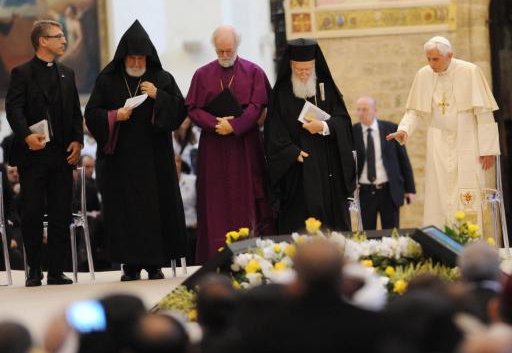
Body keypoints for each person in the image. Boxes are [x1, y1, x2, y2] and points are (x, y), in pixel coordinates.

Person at [85, 20, 187, 281]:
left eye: (141, 57)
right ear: (123, 57)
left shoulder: (161, 79)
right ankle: (129, 265)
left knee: (155, 210)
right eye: (132, 57)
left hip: (155, 160)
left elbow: (180, 110)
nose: (136, 62)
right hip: (121, 161)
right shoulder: (107, 80)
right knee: (124, 213)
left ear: (148, 56)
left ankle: (155, 265)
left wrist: (158, 96)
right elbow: (92, 113)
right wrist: (114, 115)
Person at [387, 36, 500, 229]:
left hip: (467, 139)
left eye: (436, 59)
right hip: (438, 140)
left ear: (450, 55)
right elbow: (415, 111)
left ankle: (468, 242)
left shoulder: (470, 71)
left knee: (467, 191)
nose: (431, 64)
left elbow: (484, 113)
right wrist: (404, 129)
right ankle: (441, 241)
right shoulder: (424, 75)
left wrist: (487, 149)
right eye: (428, 59)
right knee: (439, 191)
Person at [5, 19, 83, 287]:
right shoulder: (22, 73)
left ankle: (56, 271)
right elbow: (13, 109)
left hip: (62, 154)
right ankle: (34, 270)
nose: (64, 40)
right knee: (33, 212)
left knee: (62, 213)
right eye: (58, 36)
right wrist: (27, 136)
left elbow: (75, 110)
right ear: (42, 41)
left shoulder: (67, 73)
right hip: (34, 154)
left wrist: (78, 141)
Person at [186, 25, 273, 262]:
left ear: (237, 47)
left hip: (244, 145)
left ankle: (251, 256)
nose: (224, 55)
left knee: (246, 199)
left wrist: (234, 126)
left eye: (229, 50)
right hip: (213, 147)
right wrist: (216, 123)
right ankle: (217, 256)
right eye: (220, 51)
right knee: (216, 202)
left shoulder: (253, 71)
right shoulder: (202, 75)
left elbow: (257, 107)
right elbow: (192, 108)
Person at [264, 38, 355, 233]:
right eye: (299, 70)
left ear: (314, 65)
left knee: (331, 226)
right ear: (291, 66)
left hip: (327, 168)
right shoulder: (281, 92)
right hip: (297, 171)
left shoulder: (326, 87)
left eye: (308, 69)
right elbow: (273, 131)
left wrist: (323, 126)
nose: (304, 74)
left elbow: (344, 122)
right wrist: (290, 151)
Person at [353, 96, 415, 229]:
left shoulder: (391, 129)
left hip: (389, 191)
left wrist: (410, 189)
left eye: (364, 109)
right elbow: (347, 163)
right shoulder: (352, 132)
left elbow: (403, 160)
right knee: (367, 235)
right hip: (364, 193)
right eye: (358, 110)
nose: (360, 113)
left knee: (392, 233)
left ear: (375, 110)